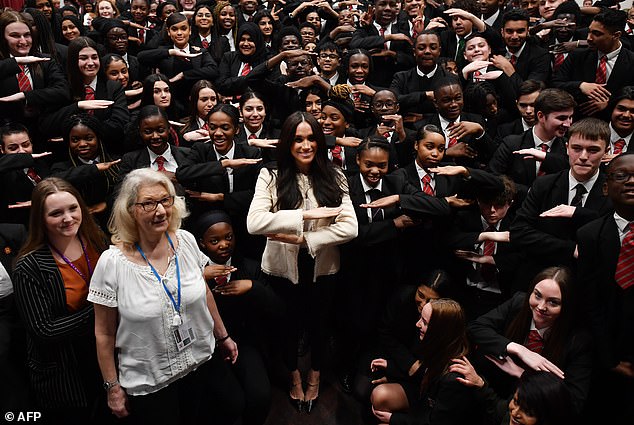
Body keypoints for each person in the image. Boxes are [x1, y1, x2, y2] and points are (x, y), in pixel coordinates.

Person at [89, 168, 243, 424]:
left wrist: (223, 335)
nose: (160, 210)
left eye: (165, 200)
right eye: (148, 203)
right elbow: (104, 333)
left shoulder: (185, 241)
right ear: (130, 209)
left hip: (200, 361)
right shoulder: (112, 263)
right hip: (152, 379)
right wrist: (112, 387)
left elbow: (203, 292)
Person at [246, 112, 358, 413]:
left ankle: (315, 376)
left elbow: (351, 227)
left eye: (311, 138)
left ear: (320, 142)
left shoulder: (335, 175)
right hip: (282, 269)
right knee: (287, 327)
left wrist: (307, 239)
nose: (306, 145)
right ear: (287, 143)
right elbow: (255, 223)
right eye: (298, 139)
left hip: (323, 268)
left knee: (320, 326)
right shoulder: (270, 175)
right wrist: (305, 217)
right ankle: (294, 377)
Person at [12, 177, 106, 423]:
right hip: (66, 371)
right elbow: (44, 330)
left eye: (73, 208)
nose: (68, 218)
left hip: (107, 356)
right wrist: (103, 306)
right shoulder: (28, 265)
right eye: (56, 213)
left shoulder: (97, 240)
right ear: (40, 219)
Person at [194, 210, 282, 425]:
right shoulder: (191, 273)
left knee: (260, 396)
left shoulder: (251, 267)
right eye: (215, 240)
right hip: (207, 347)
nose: (224, 244)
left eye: (229, 237)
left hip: (245, 342)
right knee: (226, 403)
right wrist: (199, 278)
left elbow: (279, 310)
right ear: (202, 243)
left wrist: (253, 287)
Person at [468, 266, 593, 417]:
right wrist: (517, 349)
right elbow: (475, 327)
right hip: (488, 395)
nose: (541, 307)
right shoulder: (519, 303)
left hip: (529, 414)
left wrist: (523, 374)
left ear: (566, 306)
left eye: (553, 303)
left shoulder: (577, 341)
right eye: (537, 296)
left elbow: (573, 402)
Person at [510, 118, 612, 291]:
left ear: (606, 152)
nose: (583, 157)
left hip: (589, 286)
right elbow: (519, 231)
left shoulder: (613, 191)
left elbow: (612, 235)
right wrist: (570, 248)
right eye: (577, 148)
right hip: (538, 276)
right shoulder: (544, 184)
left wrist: (578, 213)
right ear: (567, 148)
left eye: (593, 150)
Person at [576, 152, 634, 424]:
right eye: (622, 176)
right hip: (605, 352)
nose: (631, 182)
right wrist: (609, 359)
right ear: (605, 186)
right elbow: (590, 301)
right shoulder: (590, 234)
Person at [370, 298, 482, 425]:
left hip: (432, 414)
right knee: (379, 395)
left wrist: (393, 419)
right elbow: (424, 374)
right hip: (425, 399)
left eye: (424, 322)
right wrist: (390, 369)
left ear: (438, 331)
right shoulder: (442, 345)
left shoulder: (454, 378)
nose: (417, 324)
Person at [39, 36, 129, 154]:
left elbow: (119, 125)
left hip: (107, 151)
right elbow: (46, 125)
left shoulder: (112, 87)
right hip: (68, 155)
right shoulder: (61, 87)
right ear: (73, 61)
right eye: (83, 58)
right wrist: (78, 106)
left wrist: (73, 135)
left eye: (94, 57)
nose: (90, 63)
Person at [137, 12, 219, 109]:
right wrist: (172, 52)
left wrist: (184, 75)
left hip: (195, 105)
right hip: (171, 105)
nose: (179, 33)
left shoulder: (199, 51)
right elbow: (141, 57)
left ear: (190, 30)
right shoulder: (164, 52)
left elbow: (213, 70)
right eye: (174, 29)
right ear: (168, 32)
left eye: (183, 29)